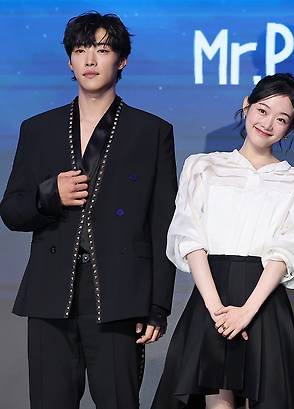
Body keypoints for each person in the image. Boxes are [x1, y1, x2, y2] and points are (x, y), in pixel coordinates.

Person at [0, 11, 177, 409]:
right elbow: (11, 211)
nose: (90, 61)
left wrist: (157, 307)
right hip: (50, 293)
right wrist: (50, 195)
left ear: (122, 59)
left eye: (102, 50)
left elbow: (163, 222)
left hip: (119, 297)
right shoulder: (38, 129)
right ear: (69, 61)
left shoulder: (151, 132)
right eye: (80, 51)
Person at [151, 73, 294, 409]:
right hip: (212, 299)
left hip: (263, 303)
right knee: (217, 403)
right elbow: (189, 238)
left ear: (290, 127)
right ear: (246, 107)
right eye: (263, 110)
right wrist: (218, 311)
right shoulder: (203, 167)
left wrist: (245, 313)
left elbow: (285, 252)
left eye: (281, 119)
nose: (268, 123)